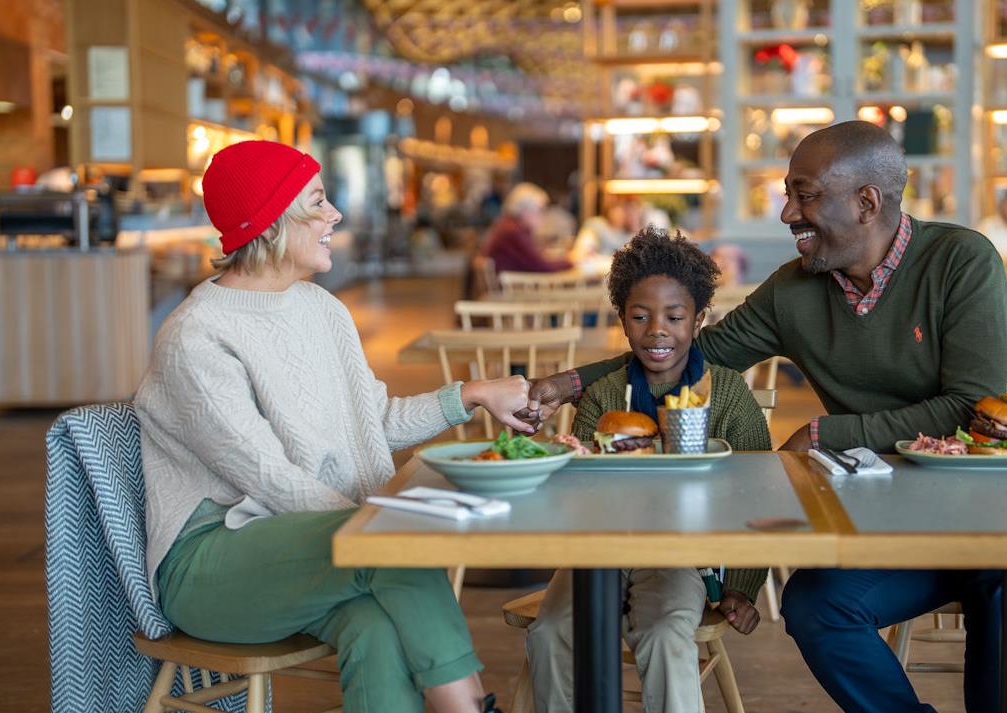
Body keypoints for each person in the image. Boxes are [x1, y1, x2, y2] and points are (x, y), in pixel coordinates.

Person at [519, 121, 1007, 713]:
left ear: (867, 203)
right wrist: (562, 384)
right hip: (905, 526)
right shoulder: (796, 290)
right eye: (790, 195)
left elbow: (972, 407)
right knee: (815, 608)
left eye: (804, 196)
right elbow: (680, 354)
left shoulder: (961, 260)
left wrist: (823, 432)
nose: (788, 213)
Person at [135, 141, 533, 713]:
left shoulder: (322, 310)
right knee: (393, 545)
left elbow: (371, 423)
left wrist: (468, 395)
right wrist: (374, 524)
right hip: (212, 562)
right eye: (318, 202)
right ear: (272, 220)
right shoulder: (195, 336)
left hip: (310, 545)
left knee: (374, 627)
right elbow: (269, 477)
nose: (335, 215)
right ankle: (468, 707)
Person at [525, 228, 770, 713]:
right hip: (599, 548)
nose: (657, 330)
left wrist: (742, 583)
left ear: (699, 320)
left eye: (675, 317)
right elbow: (580, 489)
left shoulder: (726, 395)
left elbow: (757, 493)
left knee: (663, 631)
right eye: (640, 316)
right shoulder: (605, 395)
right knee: (551, 629)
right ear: (622, 319)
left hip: (681, 552)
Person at [478, 183, 573, 273]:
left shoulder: (508, 225)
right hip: (513, 286)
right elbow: (542, 267)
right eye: (540, 210)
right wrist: (572, 261)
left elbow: (534, 260)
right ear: (525, 210)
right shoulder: (512, 232)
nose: (542, 215)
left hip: (512, 283)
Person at [569, 194, 643, 263]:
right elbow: (582, 250)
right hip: (595, 269)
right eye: (615, 210)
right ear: (609, 211)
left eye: (622, 212)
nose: (618, 215)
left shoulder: (627, 234)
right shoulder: (597, 225)